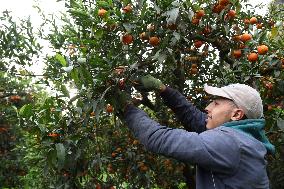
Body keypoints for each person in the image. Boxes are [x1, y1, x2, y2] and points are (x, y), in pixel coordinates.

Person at [117, 75, 275, 189]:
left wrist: (127, 109)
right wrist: (163, 89)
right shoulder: (245, 140)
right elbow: (194, 119)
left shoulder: (230, 143)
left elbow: (160, 139)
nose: (207, 108)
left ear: (236, 114)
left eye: (216, 103)